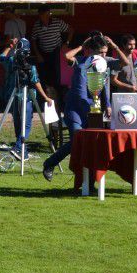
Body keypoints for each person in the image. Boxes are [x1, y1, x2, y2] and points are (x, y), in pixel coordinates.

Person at [42, 34, 124, 180]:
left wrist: (108, 106)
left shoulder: (106, 63)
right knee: (77, 140)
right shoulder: (81, 61)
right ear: (91, 51)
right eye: (100, 52)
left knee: (92, 143)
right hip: (75, 109)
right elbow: (67, 56)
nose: (103, 56)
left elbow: (122, 68)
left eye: (106, 52)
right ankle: (50, 163)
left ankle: (89, 181)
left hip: (93, 110)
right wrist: (81, 46)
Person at [0, 38, 53, 161]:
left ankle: (23, 152)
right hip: (26, 98)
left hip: (14, 97)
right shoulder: (30, 65)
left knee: (18, 125)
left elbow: (1, 58)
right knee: (26, 125)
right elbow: (35, 81)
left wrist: (9, 46)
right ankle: (19, 147)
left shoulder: (11, 61)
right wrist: (45, 97)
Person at [31, 5, 72, 95]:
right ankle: (46, 96)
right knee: (43, 75)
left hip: (56, 51)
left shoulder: (57, 22)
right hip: (43, 53)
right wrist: (38, 54)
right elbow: (33, 40)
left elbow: (71, 30)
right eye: (41, 15)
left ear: (49, 14)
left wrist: (67, 43)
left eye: (46, 15)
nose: (44, 17)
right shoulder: (37, 25)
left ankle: (59, 97)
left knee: (57, 75)